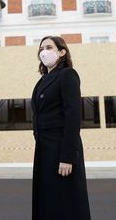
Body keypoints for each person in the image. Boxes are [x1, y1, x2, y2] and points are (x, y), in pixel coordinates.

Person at [31, 36, 91, 220]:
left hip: (60, 150)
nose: (44, 51)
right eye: (41, 48)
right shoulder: (41, 81)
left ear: (62, 51)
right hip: (44, 149)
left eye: (49, 47)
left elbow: (73, 117)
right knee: (48, 202)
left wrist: (67, 156)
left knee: (65, 204)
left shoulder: (68, 75)